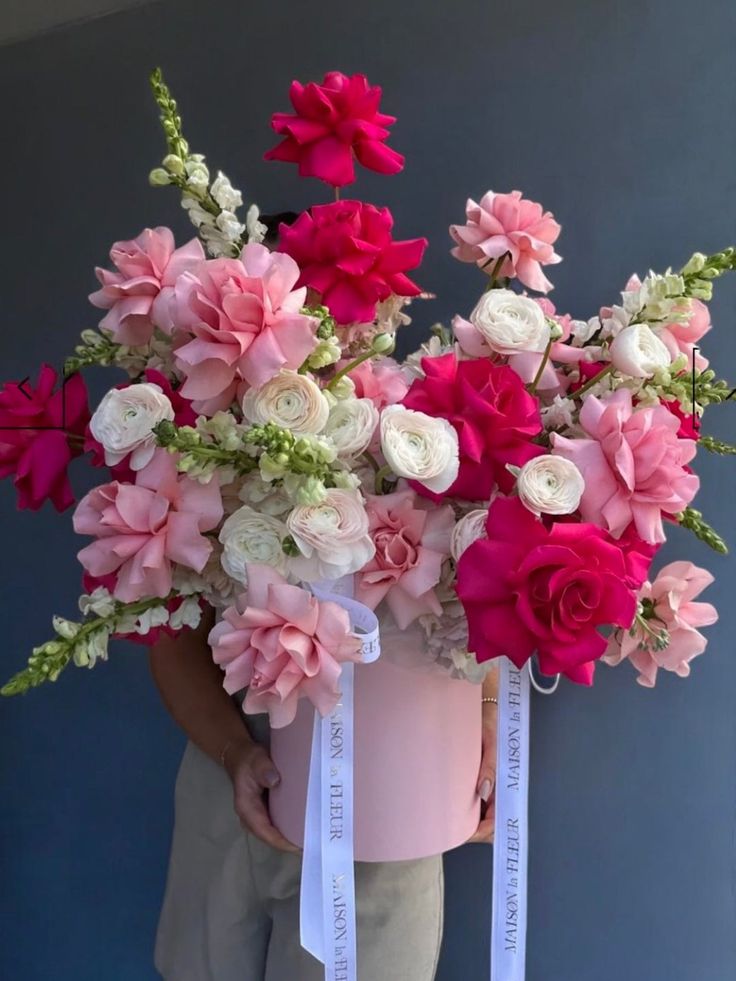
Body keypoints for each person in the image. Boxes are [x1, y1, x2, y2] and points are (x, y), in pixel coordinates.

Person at [149, 601, 498, 981]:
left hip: (387, 817)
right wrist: (232, 751)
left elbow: (485, 605)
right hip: (230, 786)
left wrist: (490, 713)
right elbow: (175, 635)